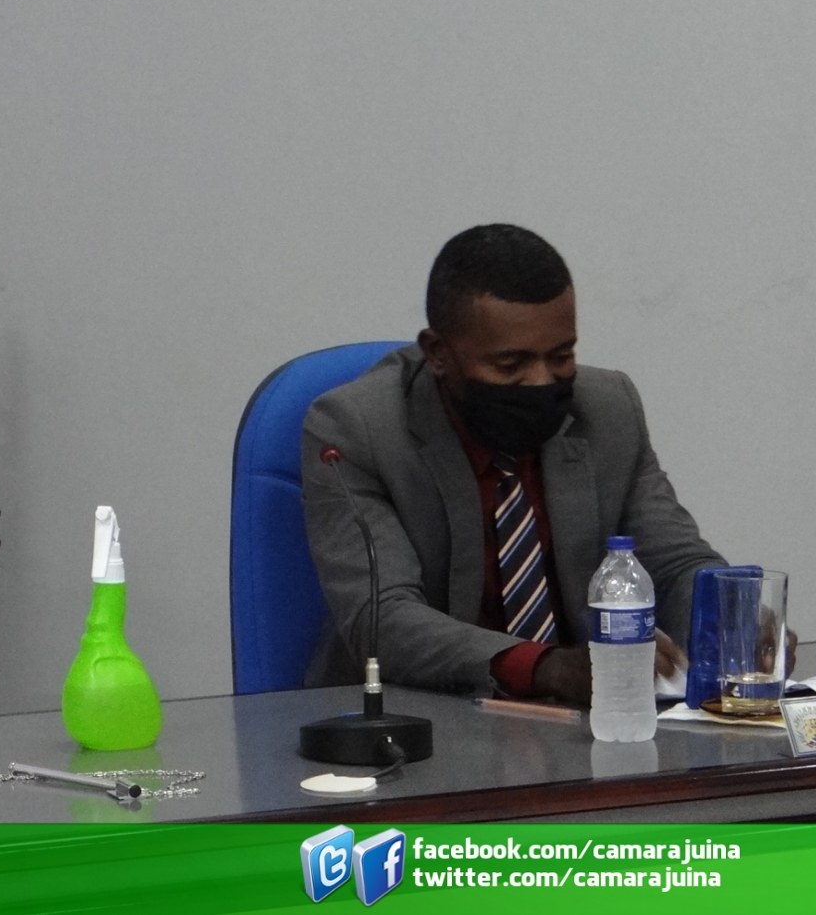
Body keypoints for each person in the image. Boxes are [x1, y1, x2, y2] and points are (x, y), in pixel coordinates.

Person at [301, 223, 726, 705]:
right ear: (438, 353)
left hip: (584, 717)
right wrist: (545, 667)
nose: (542, 381)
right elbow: (383, 618)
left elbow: (673, 562)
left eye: (561, 356)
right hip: (412, 715)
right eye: (510, 365)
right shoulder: (355, 429)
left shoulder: (608, 409)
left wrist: (732, 618)